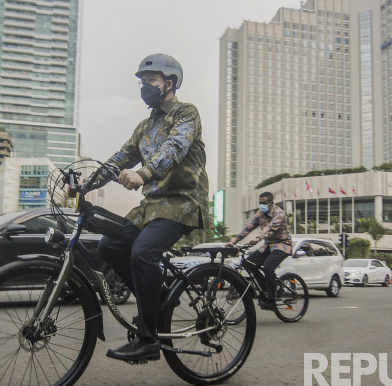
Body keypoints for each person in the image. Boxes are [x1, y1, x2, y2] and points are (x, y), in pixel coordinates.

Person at [88, 54, 209, 362]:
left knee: (143, 252)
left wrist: (143, 173)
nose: (144, 86)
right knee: (109, 245)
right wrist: (86, 183)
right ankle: (158, 295)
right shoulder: (144, 126)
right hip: (152, 205)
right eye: (142, 81)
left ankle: (148, 339)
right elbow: (120, 158)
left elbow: (175, 148)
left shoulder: (186, 113)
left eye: (150, 81)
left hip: (182, 202)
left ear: (168, 84)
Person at [228, 192, 292, 309]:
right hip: (267, 246)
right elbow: (248, 228)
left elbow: (269, 229)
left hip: (282, 245)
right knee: (247, 263)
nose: (261, 205)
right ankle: (266, 289)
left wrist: (258, 238)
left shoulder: (279, 214)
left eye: (264, 203)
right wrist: (234, 241)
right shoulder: (260, 214)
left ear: (271, 203)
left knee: (268, 266)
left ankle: (271, 301)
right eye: (260, 203)